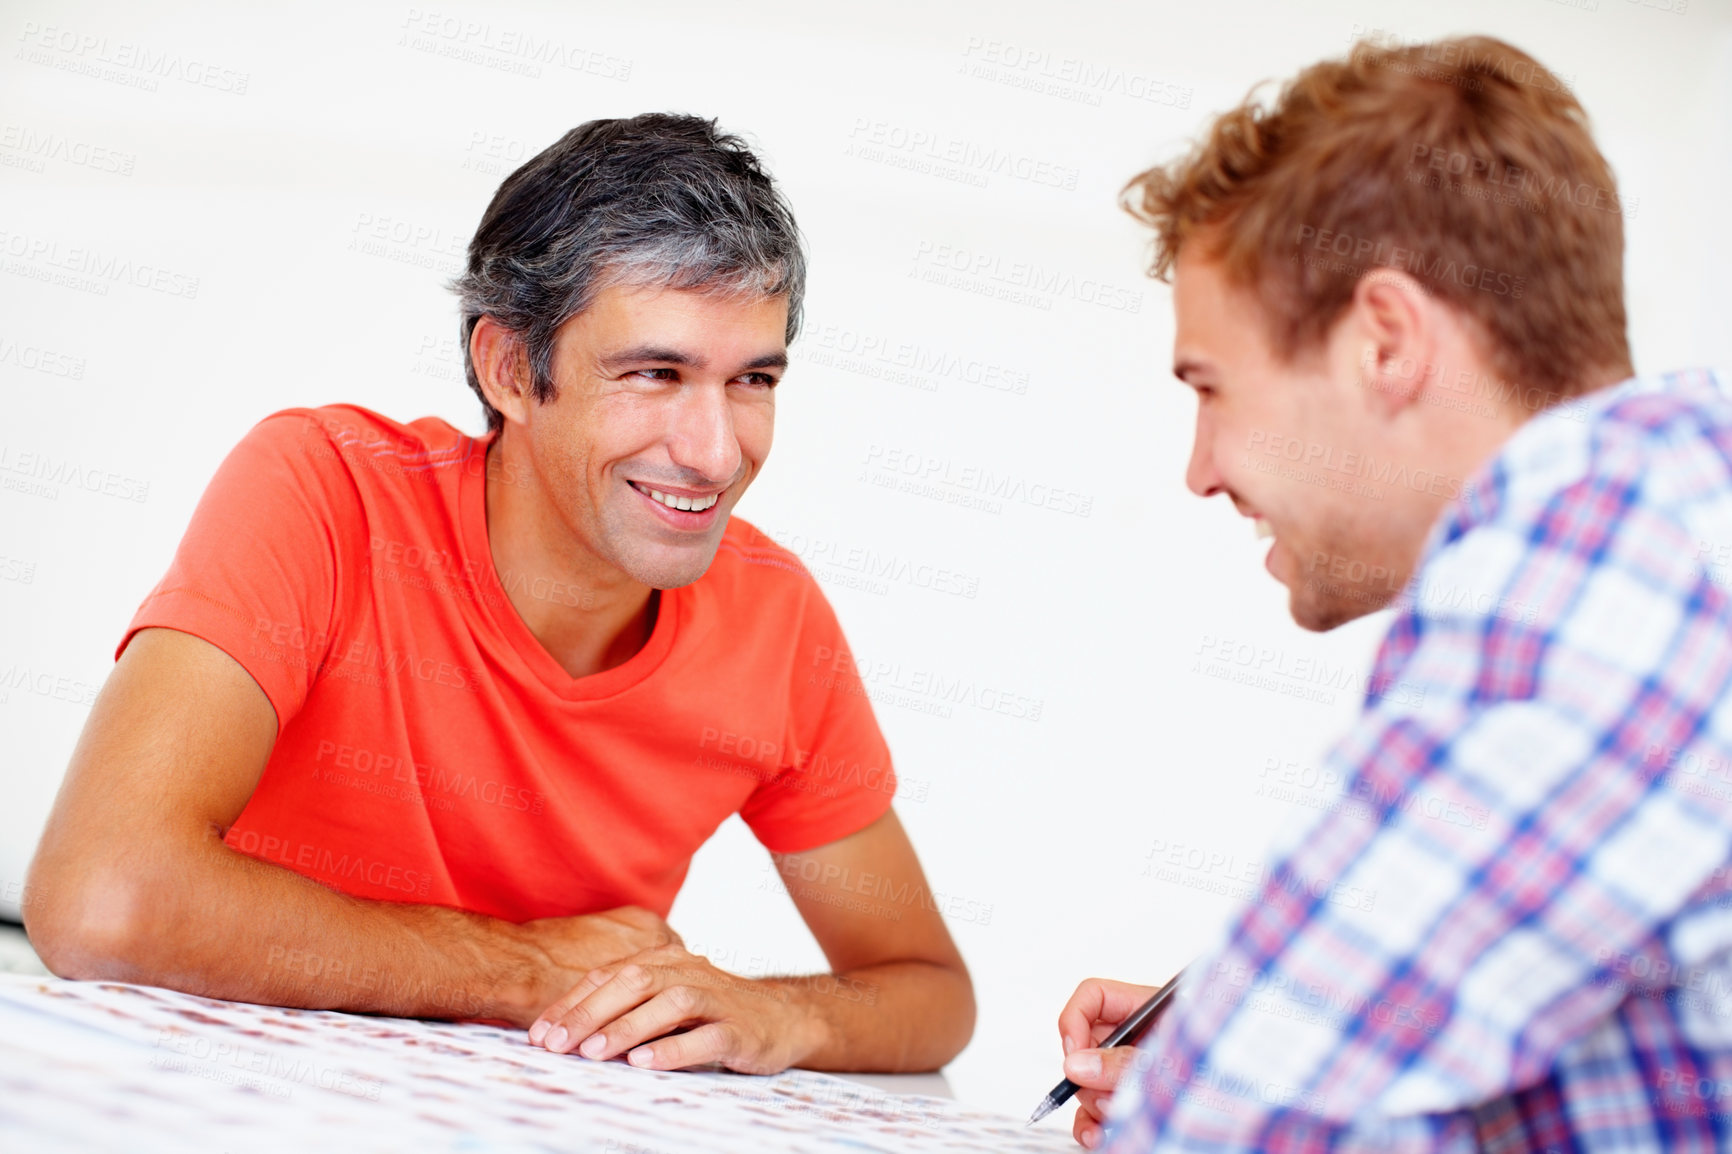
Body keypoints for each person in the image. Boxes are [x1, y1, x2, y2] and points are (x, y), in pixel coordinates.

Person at [24, 113, 973, 1077]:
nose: (717, 452)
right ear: (510, 368)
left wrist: (778, 1015)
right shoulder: (325, 491)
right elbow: (102, 898)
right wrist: (524, 970)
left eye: (752, 380)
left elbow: (929, 993)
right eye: (654, 373)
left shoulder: (775, 617)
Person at [1056, 35, 1732, 1152]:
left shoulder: (1596, 574)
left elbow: (1235, 1126)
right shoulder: (1671, 510)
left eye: (1213, 388)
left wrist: (1223, 1070)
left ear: (1384, 340)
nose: (1201, 467)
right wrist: (1227, 1041)